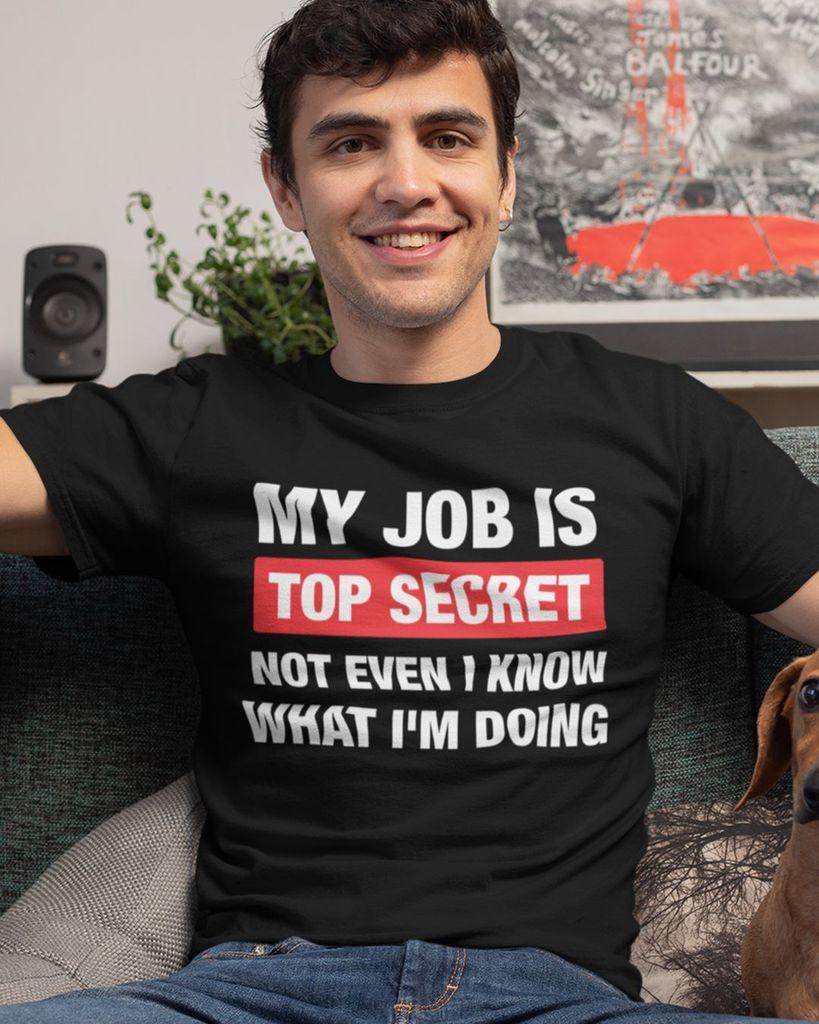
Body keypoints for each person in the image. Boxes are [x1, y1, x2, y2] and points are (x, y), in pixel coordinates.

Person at [1, 1, 818, 1021]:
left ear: (507, 174)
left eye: (447, 137)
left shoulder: (656, 421)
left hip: (560, 1002)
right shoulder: (200, 424)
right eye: (351, 143)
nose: (405, 182)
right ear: (286, 188)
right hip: (257, 990)